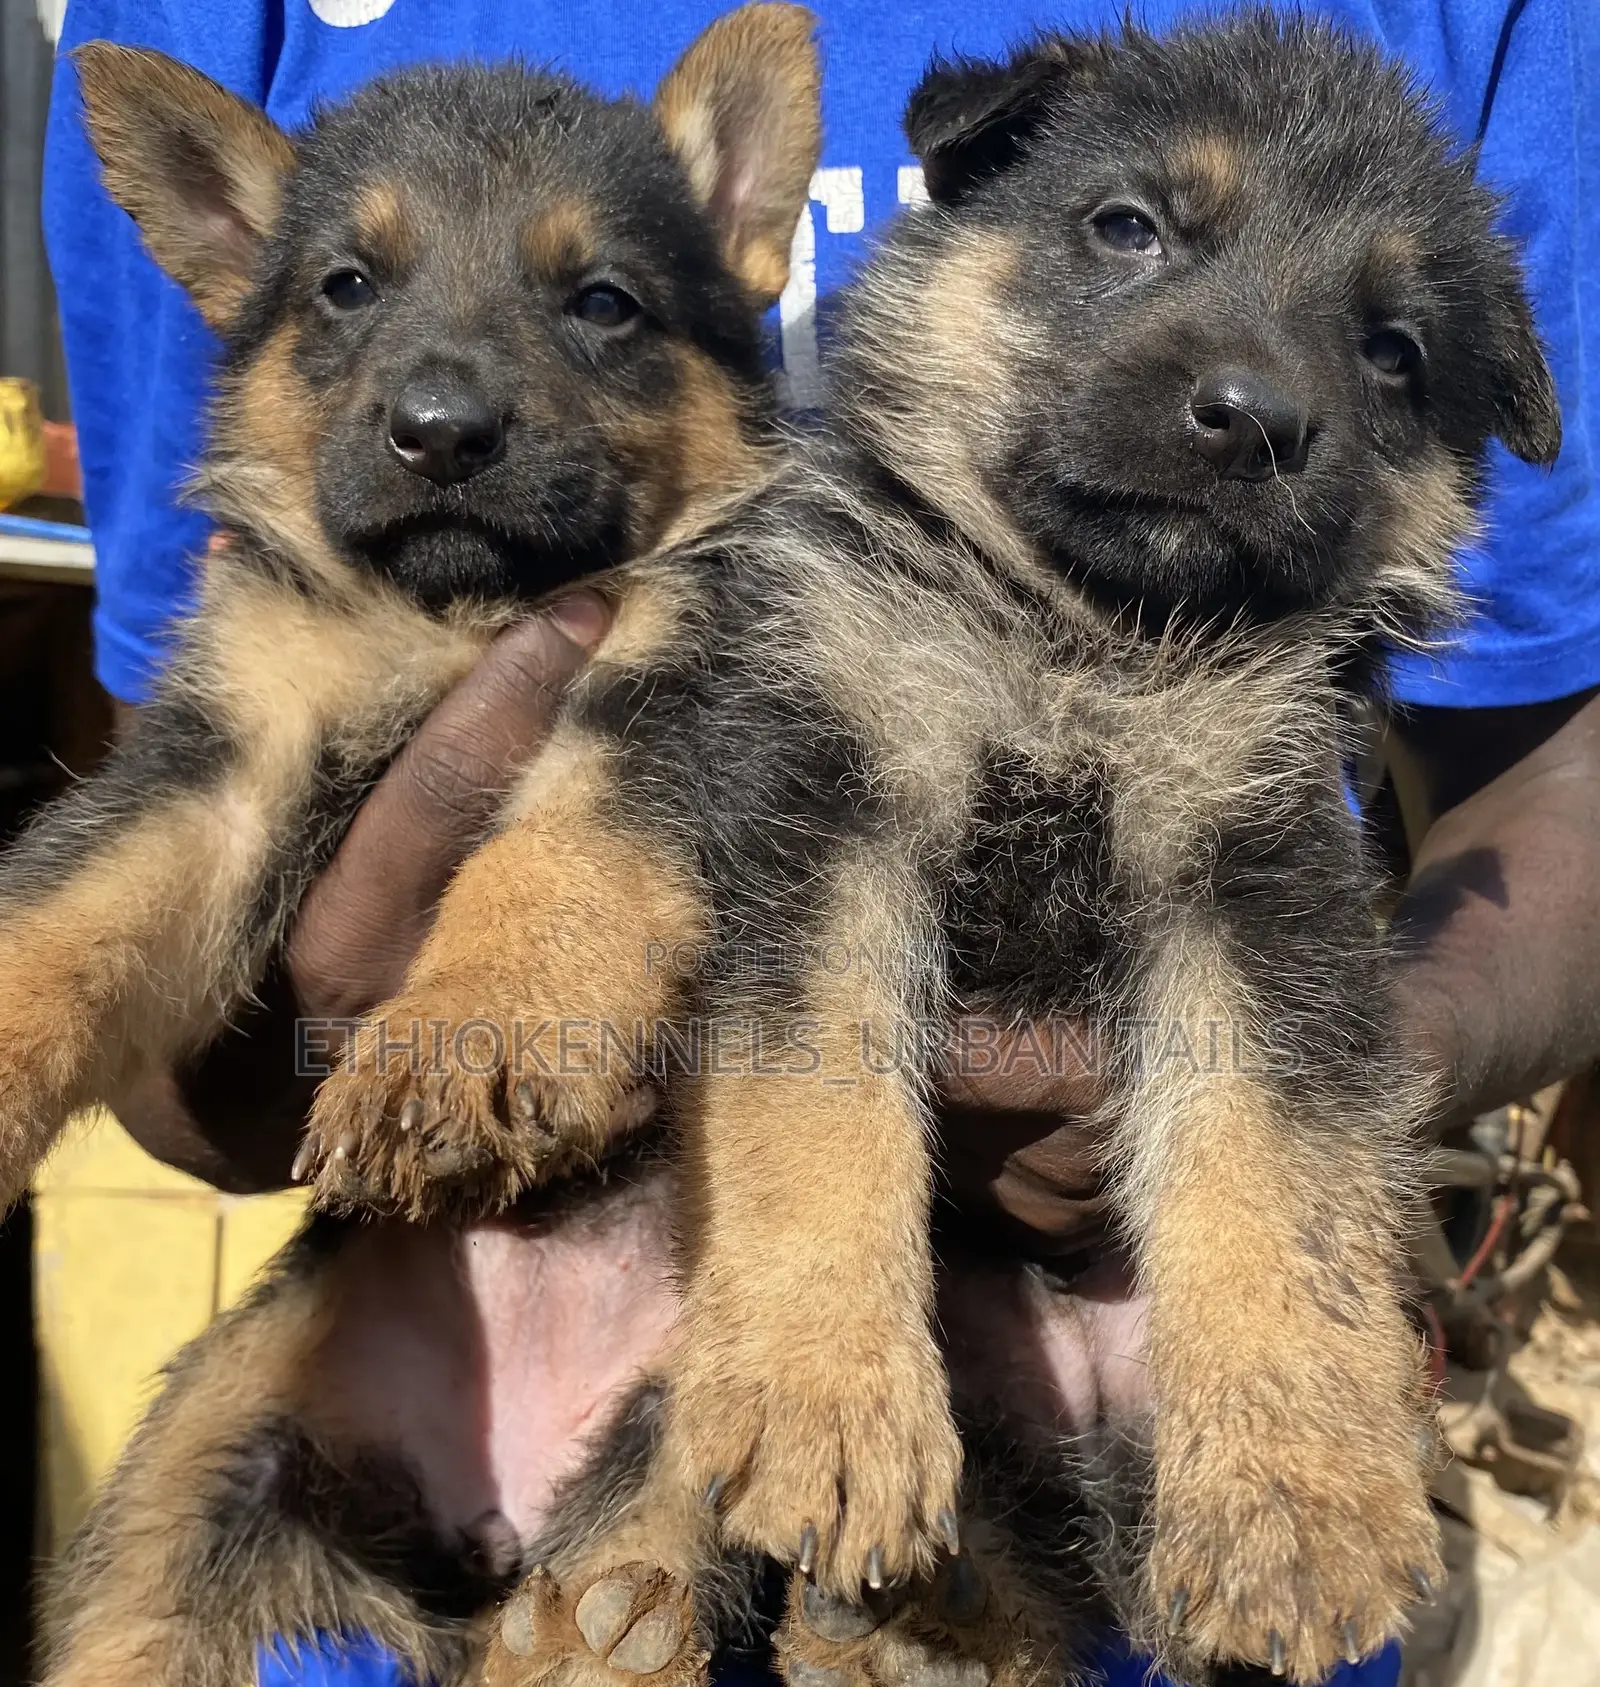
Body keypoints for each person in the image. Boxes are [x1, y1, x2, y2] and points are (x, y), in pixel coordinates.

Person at [40, 2, 1600, 1684]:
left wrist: (1337, 1097)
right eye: (1131, 233)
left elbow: (1553, 780)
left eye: (1384, 356)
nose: (1253, 381)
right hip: (465, 1334)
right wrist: (327, 1029)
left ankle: (942, 1604)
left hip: (1081, 1425)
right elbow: (185, 840)